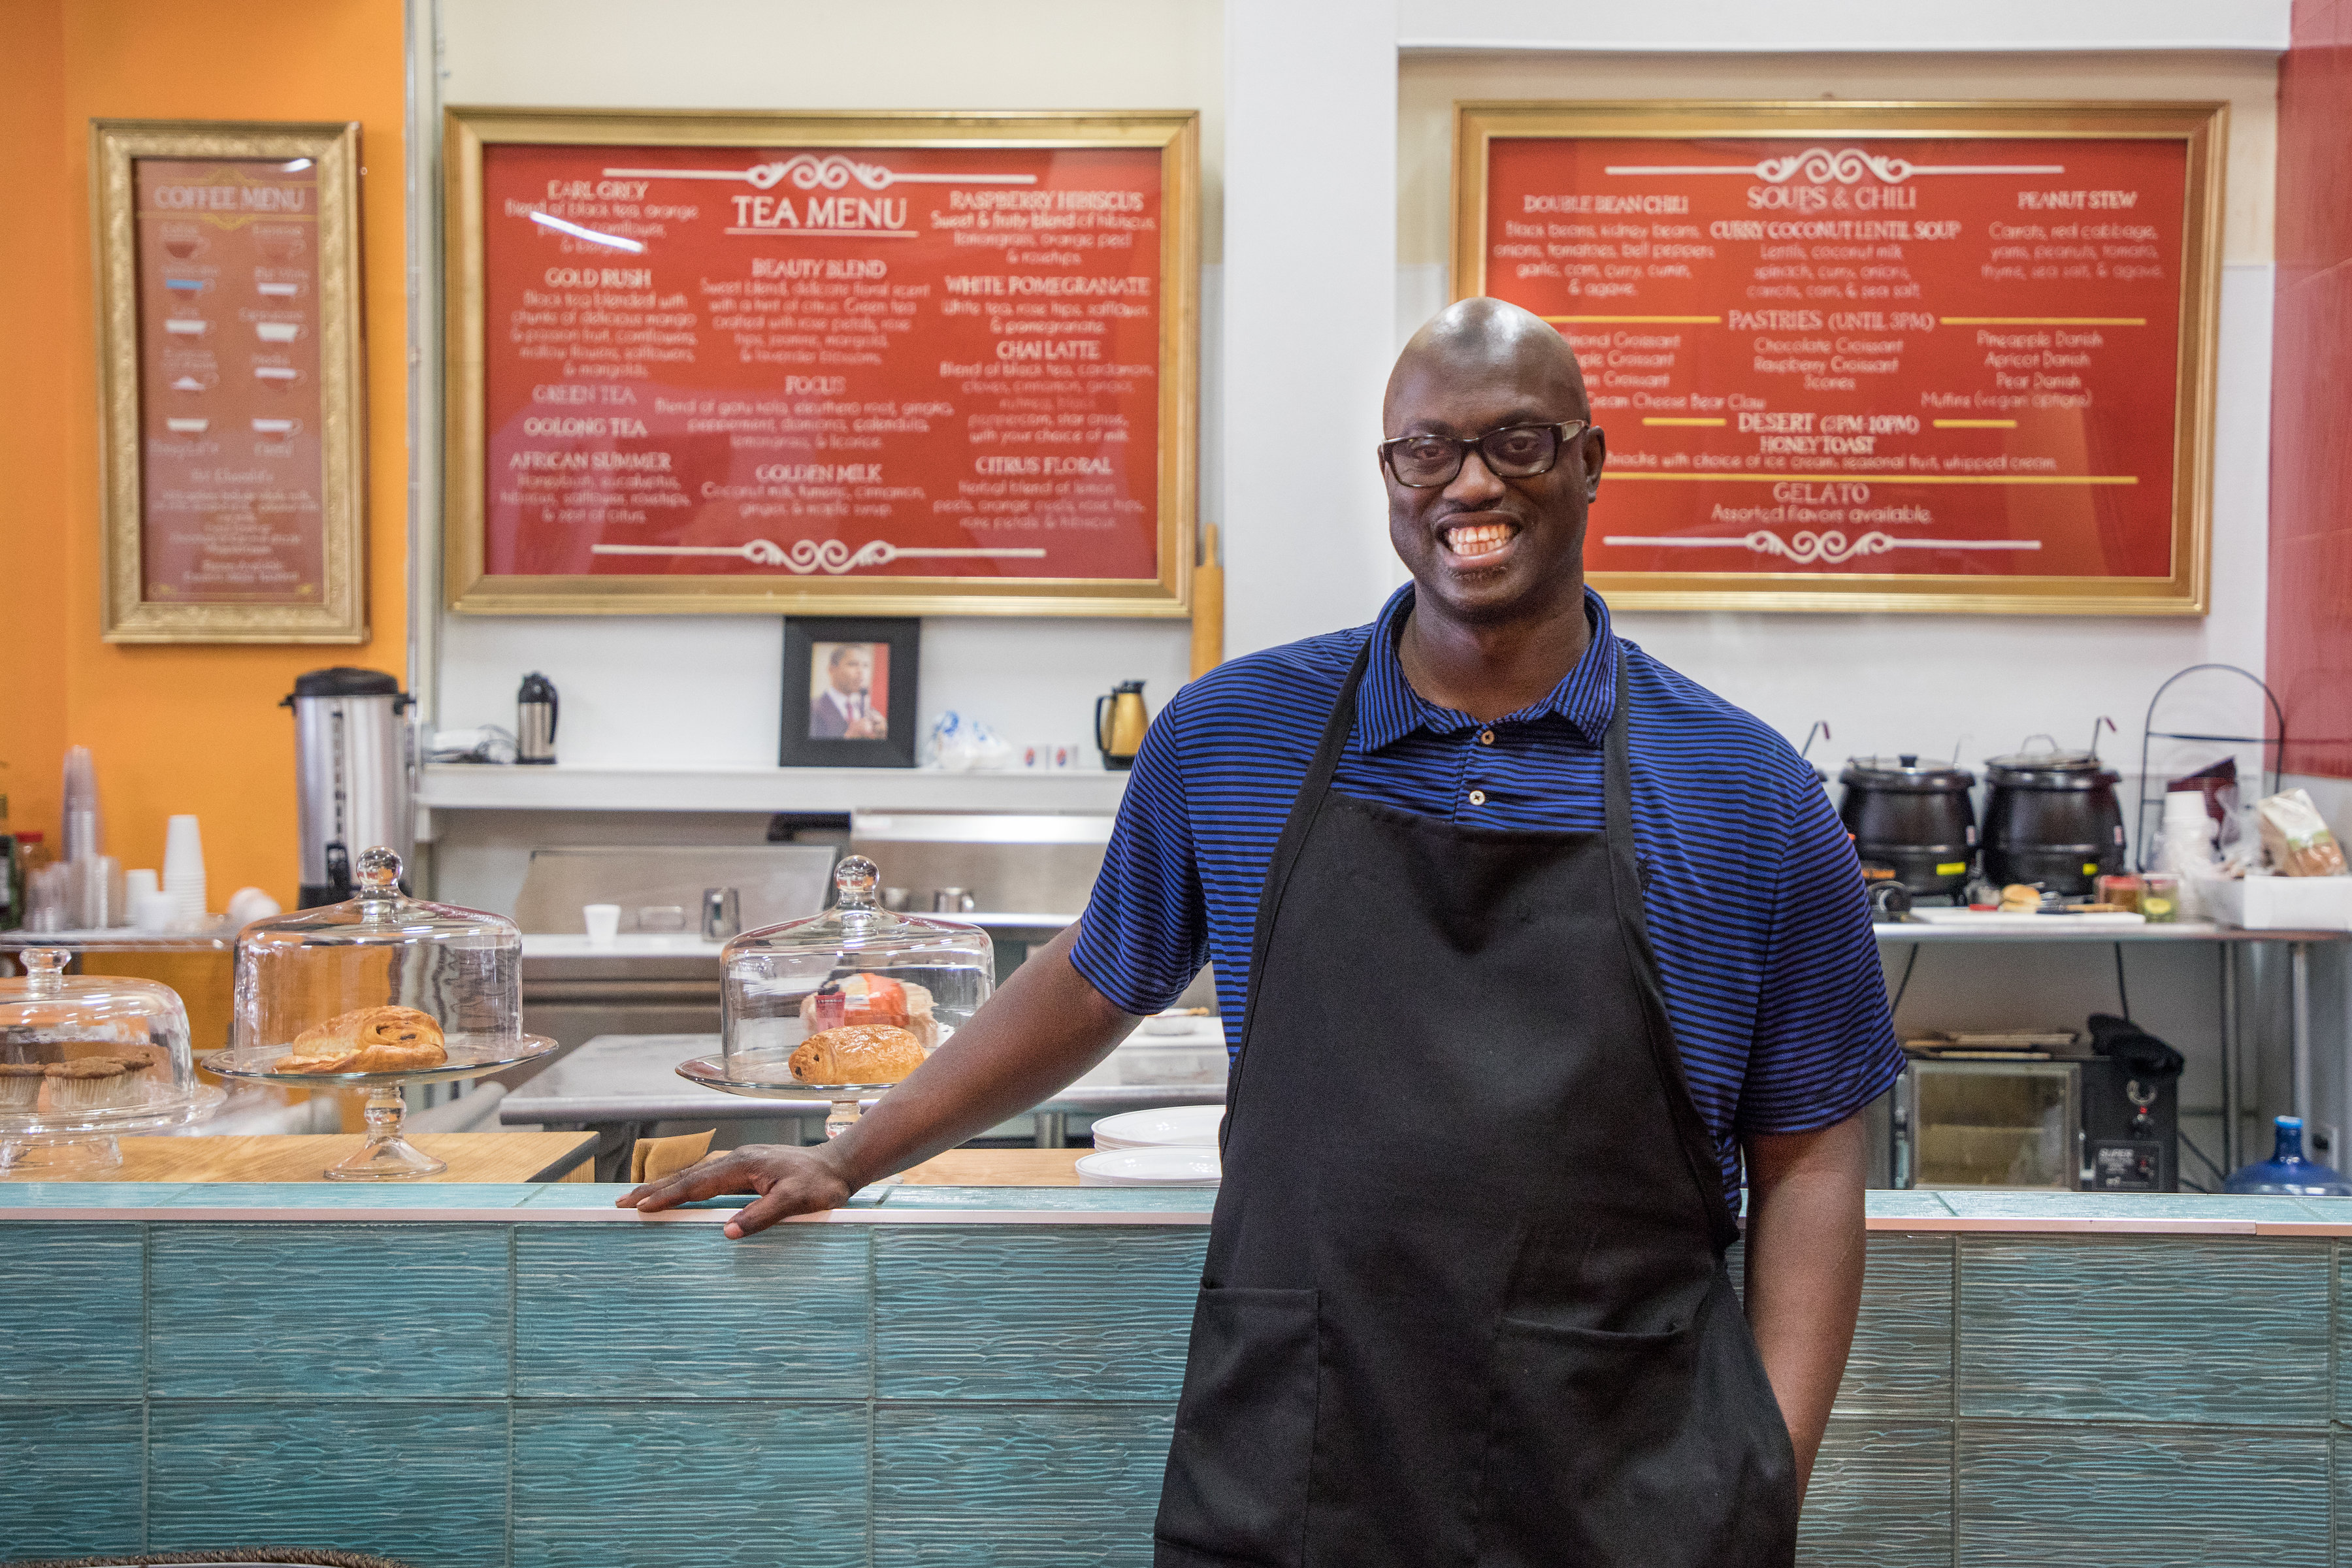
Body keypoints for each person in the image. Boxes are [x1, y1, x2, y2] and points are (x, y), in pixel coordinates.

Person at [627, 297, 1902, 1567]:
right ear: (1390, 475)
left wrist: (1759, 1493)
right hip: (1302, 1464)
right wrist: (854, 1155)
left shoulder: (1747, 794)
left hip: (1636, 1479)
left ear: (1589, 461)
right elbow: (1090, 981)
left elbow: (1810, 1161)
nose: (1470, 484)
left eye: (1517, 443)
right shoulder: (1233, 738)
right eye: (1426, 451)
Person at [809, 643, 885, 740]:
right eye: (853, 664)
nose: (861, 671)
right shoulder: (813, 709)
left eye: (866, 665)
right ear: (832, 670)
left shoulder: (871, 712)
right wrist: (849, 737)